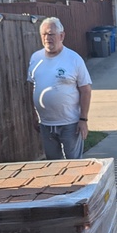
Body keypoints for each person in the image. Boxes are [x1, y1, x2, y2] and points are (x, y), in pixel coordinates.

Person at [27, 17, 92, 159]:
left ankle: (77, 182)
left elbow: (85, 90)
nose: (47, 38)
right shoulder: (35, 58)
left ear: (61, 35)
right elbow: (31, 87)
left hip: (70, 124)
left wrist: (83, 120)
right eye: (44, 34)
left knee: (74, 163)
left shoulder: (74, 59)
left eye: (51, 34)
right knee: (53, 165)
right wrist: (33, 115)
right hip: (45, 124)